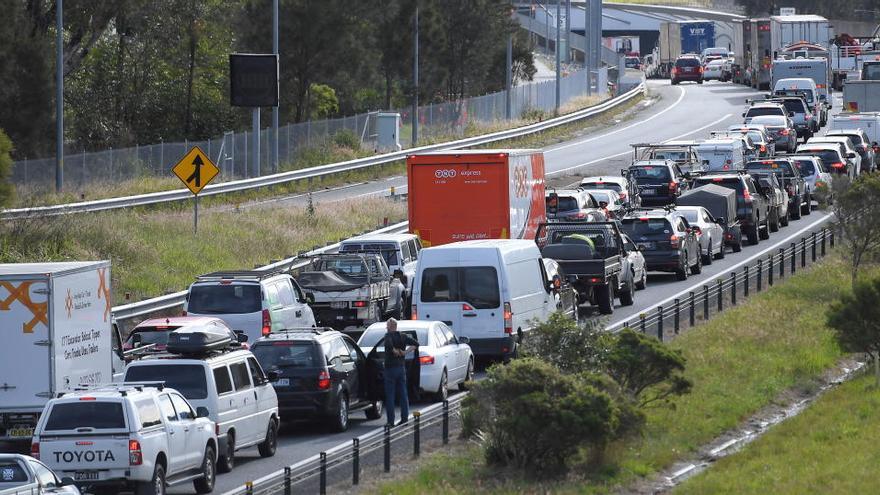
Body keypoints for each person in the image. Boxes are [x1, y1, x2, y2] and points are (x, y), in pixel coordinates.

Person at [383, 318, 418, 426]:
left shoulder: (388, 336)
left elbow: (389, 345)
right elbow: (416, 343)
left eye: (387, 326)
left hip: (390, 369)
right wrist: (405, 352)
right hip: (401, 368)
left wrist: (395, 351)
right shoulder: (403, 336)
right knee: (403, 394)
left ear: (390, 326)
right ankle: (404, 418)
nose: (386, 328)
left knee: (390, 395)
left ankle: (390, 421)